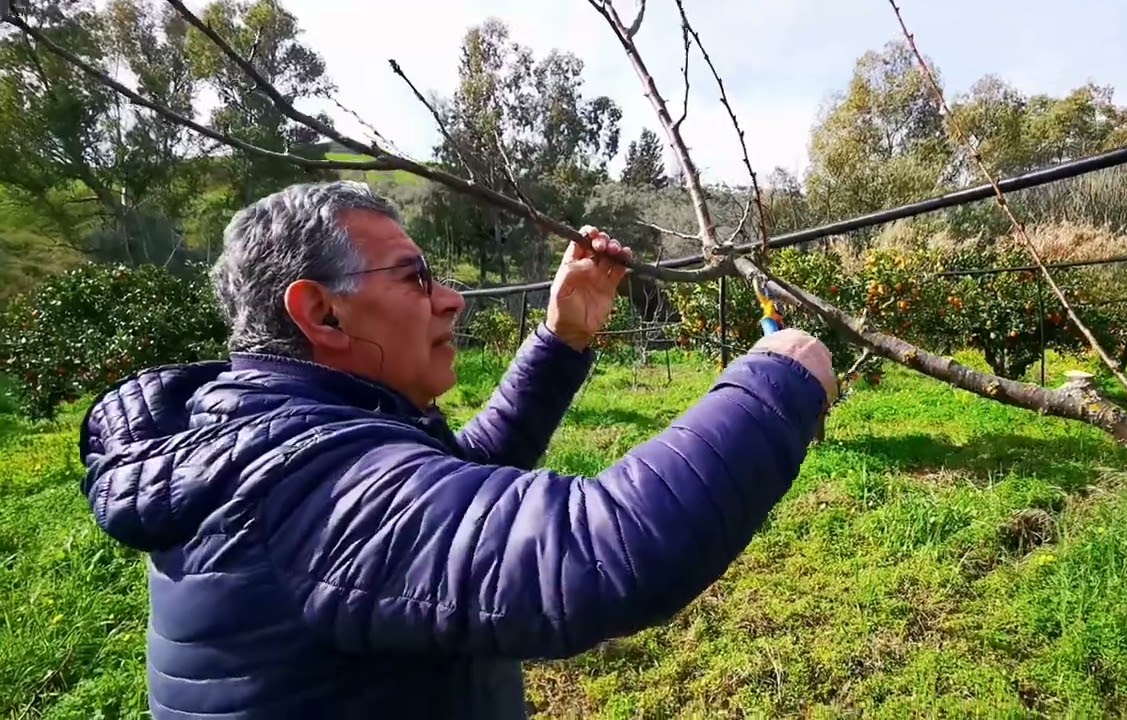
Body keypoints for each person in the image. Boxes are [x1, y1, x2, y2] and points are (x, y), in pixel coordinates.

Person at [78, 180, 837, 719]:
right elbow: (594, 551)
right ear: (322, 313)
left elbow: (457, 490)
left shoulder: (270, 438)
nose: (451, 298)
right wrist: (780, 379)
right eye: (417, 278)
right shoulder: (310, 484)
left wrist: (563, 338)